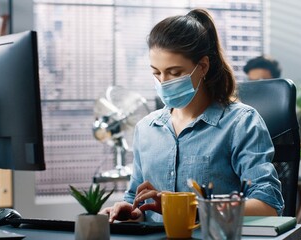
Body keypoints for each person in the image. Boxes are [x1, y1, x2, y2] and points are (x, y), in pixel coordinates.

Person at [100, 9, 284, 223]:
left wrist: (187, 207)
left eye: (175, 73)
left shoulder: (240, 123)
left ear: (203, 66)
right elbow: (137, 200)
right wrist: (130, 211)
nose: (164, 81)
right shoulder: (146, 128)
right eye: (156, 73)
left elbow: (268, 206)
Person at [243, 55, 301, 145]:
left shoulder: (299, 118)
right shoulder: (243, 116)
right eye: (251, 82)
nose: (255, 87)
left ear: (276, 82)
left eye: (261, 81)